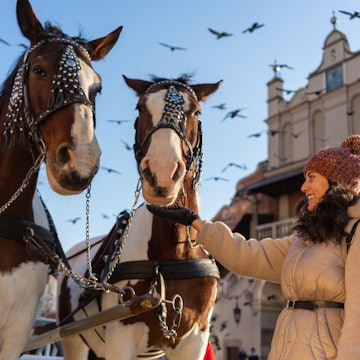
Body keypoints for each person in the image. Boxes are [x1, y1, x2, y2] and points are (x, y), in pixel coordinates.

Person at [147, 135, 360, 360]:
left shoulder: (355, 232)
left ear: (336, 181)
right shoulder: (304, 240)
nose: (303, 186)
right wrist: (195, 222)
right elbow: (248, 254)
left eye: (312, 178)